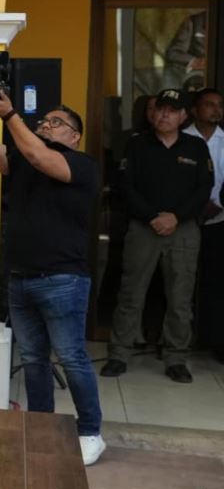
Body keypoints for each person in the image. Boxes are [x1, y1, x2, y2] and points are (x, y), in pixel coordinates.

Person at [0, 91, 106, 466]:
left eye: (57, 122)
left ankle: (90, 431)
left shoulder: (83, 165)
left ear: (76, 136)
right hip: (21, 278)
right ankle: (40, 427)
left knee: (72, 358)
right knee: (33, 359)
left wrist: (11, 113)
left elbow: (38, 155)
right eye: (43, 121)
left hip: (64, 279)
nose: (47, 125)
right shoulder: (23, 160)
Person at [105, 87, 214, 383]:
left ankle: (176, 357)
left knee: (180, 297)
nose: (163, 114)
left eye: (171, 110)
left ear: (182, 116)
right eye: (160, 109)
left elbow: (204, 189)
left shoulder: (195, 147)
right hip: (144, 228)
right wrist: (153, 217)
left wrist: (175, 217)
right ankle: (118, 354)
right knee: (131, 293)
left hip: (183, 229)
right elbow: (126, 187)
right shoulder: (137, 145)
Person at [184, 88, 224, 356]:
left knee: (216, 283)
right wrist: (195, 207)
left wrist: (218, 205)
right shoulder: (183, 138)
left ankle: (214, 340)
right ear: (196, 110)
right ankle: (179, 341)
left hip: (220, 219)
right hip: (183, 219)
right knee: (181, 283)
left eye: (219, 105)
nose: (216, 110)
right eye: (209, 105)